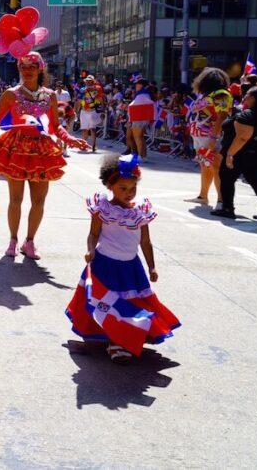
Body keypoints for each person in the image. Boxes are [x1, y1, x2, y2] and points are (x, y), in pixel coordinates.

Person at [66, 153, 179, 364]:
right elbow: (93, 234)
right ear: (110, 186)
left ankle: (120, 341)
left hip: (130, 267)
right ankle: (108, 339)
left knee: (128, 304)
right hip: (104, 264)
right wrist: (90, 250)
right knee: (104, 303)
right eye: (123, 188)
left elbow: (145, 242)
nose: (129, 193)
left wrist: (152, 267)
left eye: (132, 188)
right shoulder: (102, 209)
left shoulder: (141, 212)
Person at [0, 51, 89, 259]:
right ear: (19, 69)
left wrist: (70, 139)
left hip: (41, 151)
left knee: (38, 201)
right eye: (23, 67)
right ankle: (13, 240)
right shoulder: (11, 94)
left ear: (39, 69)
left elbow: (54, 126)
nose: (27, 71)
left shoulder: (50, 96)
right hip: (16, 149)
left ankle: (30, 241)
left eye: (32, 67)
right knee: (15, 199)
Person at [212, 85, 257, 222]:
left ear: (253, 98)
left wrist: (230, 154)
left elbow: (242, 137)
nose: (244, 96)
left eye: (247, 94)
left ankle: (227, 208)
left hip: (242, 153)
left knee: (227, 177)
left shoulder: (248, 115)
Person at [187, 67, 233, 207]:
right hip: (200, 136)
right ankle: (203, 196)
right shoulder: (206, 95)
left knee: (216, 167)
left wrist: (214, 137)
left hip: (212, 136)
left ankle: (221, 200)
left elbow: (222, 115)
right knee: (205, 165)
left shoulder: (221, 94)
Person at [77, 75, 105, 152]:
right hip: (83, 110)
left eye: (90, 81)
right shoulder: (82, 89)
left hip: (93, 111)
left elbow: (100, 99)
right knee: (84, 129)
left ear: (93, 81)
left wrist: (102, 110)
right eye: (87, 81)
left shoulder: (97, 88)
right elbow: (79, 100)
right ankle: (83, 145)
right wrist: (77, 110)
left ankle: (93, 145)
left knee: (93, 129)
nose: (88, 82)